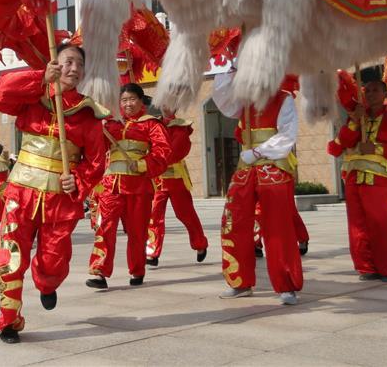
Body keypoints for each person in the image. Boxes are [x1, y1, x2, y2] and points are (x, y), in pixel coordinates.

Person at [0, 44, 109, 344]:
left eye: (79, 64)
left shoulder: (88, 113)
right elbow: (2, 94)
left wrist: (79, 180)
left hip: (59, 197)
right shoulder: (34, 96)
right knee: (11, 255)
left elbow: (96, 162)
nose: (73, 68)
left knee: (53, 259)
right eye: (68, 61)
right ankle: (9, 319)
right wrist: (40, 78)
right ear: (55, 64)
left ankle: (47, 283)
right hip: (21, 190)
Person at [214, 72, 304, 305]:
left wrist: (257, 152)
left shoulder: (283, 98)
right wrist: (230, 68)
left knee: (278, 227)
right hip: (246, 169)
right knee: (233, 222)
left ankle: (286, 286)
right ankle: (239, 281)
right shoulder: (243, 101)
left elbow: (287, 135)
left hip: (273, 167)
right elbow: (221, 98)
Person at [87, 83, 171, 290]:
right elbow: (95, 147)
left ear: (141, 101)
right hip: (111, 185)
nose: (128, 104)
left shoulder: (152, 125)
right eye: (123, 100)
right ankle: (99, 271)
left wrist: (143, 164)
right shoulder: (111, 125)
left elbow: (163, 152)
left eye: (132, 99)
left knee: (137, 232)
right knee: (104, 227)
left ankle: (137, 270)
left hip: (139, 186)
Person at [328, 79, 387, 281]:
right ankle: (366, 267)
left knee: (381, 224)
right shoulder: (355, 118)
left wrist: (377, 149)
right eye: (367, 90)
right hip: (353, 178)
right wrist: (355, 122)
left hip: (378, 178)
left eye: (375, 90)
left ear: (385, 95)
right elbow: (335, 148)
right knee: (357, 226)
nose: (371, 94)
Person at [145, 111, 208, 267]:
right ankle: (152, 252)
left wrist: (154, 159)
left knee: (185, 214)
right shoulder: (153, 124)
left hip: (176, 179)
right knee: (154, 216)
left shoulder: (180, 127)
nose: (167, 107)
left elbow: (175, 152)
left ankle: (200, 243)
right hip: (157, 179)